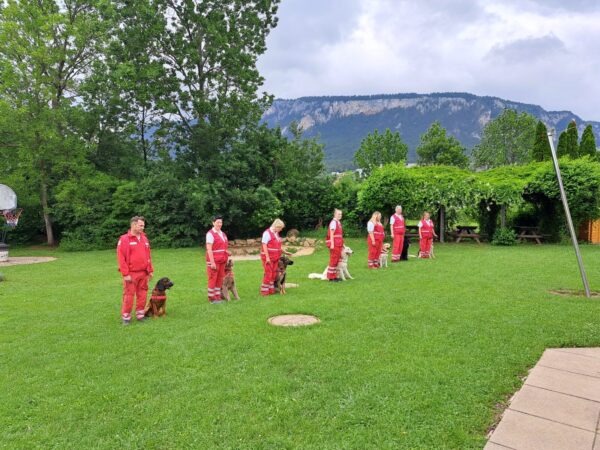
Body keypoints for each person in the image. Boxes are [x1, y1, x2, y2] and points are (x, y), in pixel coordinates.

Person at [117, 216, 154, 325]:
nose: (143, 227)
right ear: (133, 225)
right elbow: (121, 258)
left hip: (144, 272)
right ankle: (126, 317)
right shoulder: (124, 239)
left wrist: (150, 270)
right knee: (129, 295)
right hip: (131, 274)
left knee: (143, 294)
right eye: (140, 225)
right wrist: (125, 274)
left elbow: (148, 256)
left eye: (143, 225)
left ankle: (140, 315)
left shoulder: (144, 238)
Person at [260, 218, 292, 296]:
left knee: (274, 274)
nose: (281, 230)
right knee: (268, 274)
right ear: (277, 226)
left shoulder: (276, 233)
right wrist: (267, 257)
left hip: (275, 258)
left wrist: (285, 252)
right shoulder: (267, 233)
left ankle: (271, 290)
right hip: (268, 258)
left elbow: (277, 247)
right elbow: (264, 245)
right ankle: (264, 291)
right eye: (281, 228)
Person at [206, 215, 229, 303]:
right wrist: (212, 262)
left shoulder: (222, 234)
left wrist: (227, 252)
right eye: (218, 222)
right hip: (214, 261)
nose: (220, 224)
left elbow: (222, 247)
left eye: (221, 222)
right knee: (213, 278)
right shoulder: (210, 234)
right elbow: (209, 249)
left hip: (222, 260)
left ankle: (217, 296)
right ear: (213, 223)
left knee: (219, 279)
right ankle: (212, 298)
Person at [326, 209, 344, 282]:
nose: (340, 215)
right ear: (335, 214)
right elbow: (331, 234)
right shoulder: (333, 222)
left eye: (341, 214)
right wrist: (332, 244)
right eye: (338, 214)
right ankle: (330, 277)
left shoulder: (338, 222)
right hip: (335, 244)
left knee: (336, 260)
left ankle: (334, 276)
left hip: (338, 243)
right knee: (333, 259)